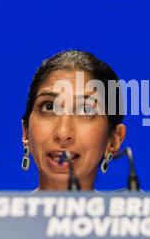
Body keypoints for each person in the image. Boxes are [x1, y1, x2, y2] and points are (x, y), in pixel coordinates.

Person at [21, 49, 126, 191]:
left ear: (114, 140)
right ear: (26, 132)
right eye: (49, 107)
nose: (63, 133)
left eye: (85, 110)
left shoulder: (142, 212)